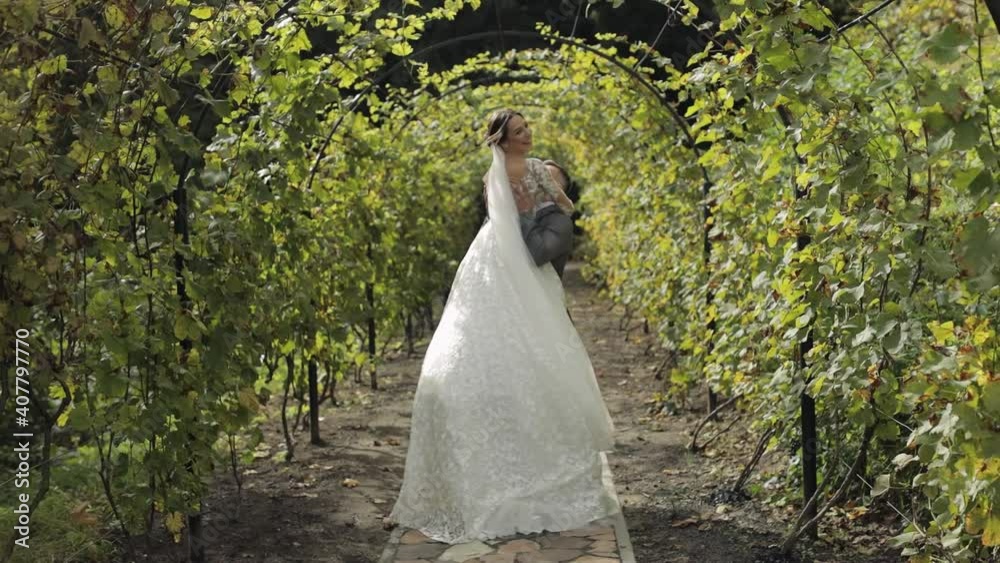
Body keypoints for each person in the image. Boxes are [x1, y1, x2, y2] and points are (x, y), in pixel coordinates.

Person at [387, 109, 620, 544]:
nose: (527, 135)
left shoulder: (523, 171)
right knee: (501, 337)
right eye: (518, 131)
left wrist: (540, 204)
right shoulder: (508, 173)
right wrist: (534, 206)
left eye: (527, 128)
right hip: (502, 254)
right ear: (503, 139)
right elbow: (522, 214)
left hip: (510, 252)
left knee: (525, 341)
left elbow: (554, 208)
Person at [480, 142, 576, 279]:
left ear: (559, 191)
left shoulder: (561, 222)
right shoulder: (514, 212)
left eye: (547, 178)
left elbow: (538, 256)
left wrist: (524, 213)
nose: (537, 179)